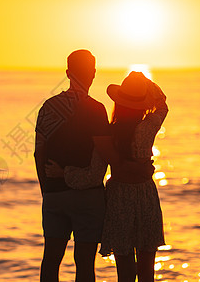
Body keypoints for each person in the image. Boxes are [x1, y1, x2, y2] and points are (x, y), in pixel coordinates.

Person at [46, 71, 168, 282]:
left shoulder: (109, 134)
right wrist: (145, 83)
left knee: (125, 271)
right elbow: (163, 104)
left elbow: (93, 175)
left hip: (119, 197)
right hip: (146, 194)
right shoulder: (148, 127)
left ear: (119, 103)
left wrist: (63, 172)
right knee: (147, 271)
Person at [34, 49, 110, 282]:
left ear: (68, 73)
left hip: (55, 194)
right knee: (85, 262)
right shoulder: (97, 109)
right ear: (93, 73)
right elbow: (104, 155)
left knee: (51, 259)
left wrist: (46, 189)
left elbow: (39, 152)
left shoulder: (49, 107)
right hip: (87, 197)